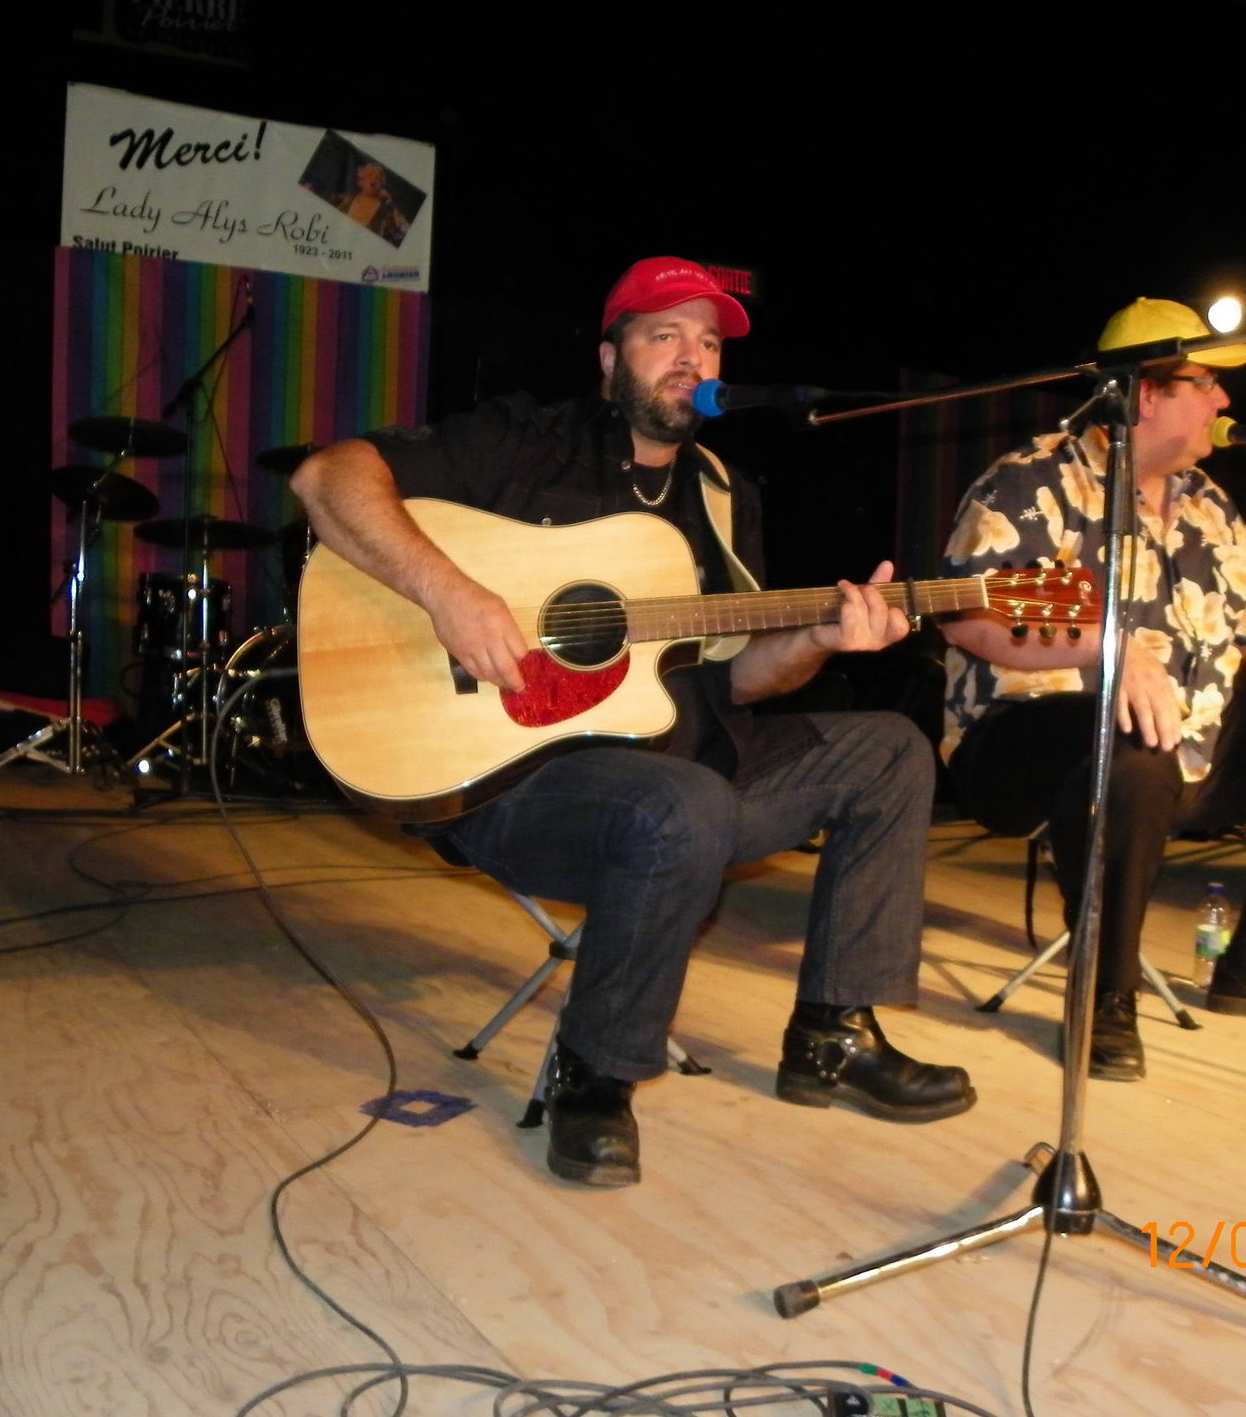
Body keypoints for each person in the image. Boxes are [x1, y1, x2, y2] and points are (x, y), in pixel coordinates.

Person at [290, 257, 973, 1186]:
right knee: (683, 803)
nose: (693, 358)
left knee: (888, 750)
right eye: (665, 336)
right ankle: (595, 1074)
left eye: (710, 343)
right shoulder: (525, 441)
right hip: (515, 785)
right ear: (611, 358)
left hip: (682, 773)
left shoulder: (724, 497)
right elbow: (328, 477)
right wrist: (448, 593)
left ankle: (832, 1036)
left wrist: (818, 638)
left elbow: (737, 683)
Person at [938, 297, 1246, 1081]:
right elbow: (969, 616)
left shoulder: (1206, 501)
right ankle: (1106, 992)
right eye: (1207, 383)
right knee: (1133, 747)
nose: (1225, 400)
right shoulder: (1031, 480)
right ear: (1145, 394)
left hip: (1182, 747)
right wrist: (1108, 645)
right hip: (1027, 749)